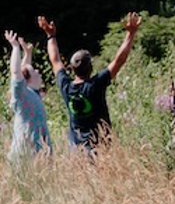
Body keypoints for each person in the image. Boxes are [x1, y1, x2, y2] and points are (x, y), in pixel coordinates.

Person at [41, 12, 140, 153]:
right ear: (91, 67)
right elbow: (119, 60)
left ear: (72, 68)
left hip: (76, 152)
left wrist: (50, 36)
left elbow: (55, 60)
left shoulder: (66, 86)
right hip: (100, 149)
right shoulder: (96, 85)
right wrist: (130, 34)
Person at [6, 31, 50, 160]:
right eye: (34, 70)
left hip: (40, 157)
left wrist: (28, 54)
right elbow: (16, 72)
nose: (37, 71)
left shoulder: (32, 92)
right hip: (24, 158)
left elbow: (25, 70)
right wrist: (15, 48)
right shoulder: (22, 94)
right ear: (27, 80)